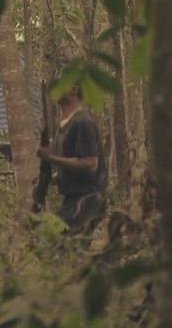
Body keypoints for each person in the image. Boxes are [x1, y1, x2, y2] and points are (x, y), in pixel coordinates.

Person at [37, 86, 104, 236]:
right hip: (72, 199)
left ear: (73, 90)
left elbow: (90, 163)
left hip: (86, 200)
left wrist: (51, 158)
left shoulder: (83, 122)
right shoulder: (65, 125)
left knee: (64, 247)